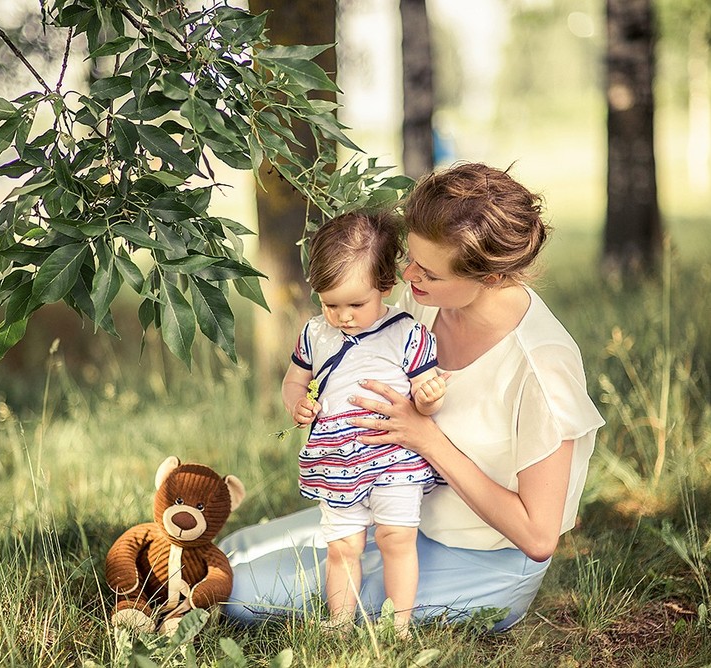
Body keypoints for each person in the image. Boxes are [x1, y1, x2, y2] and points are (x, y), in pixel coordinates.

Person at [219, 162, 605, 632]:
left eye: (428, 272)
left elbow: (538, 535)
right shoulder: (427, 301)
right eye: (412, 258)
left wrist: (427, 439)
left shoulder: (542, 367)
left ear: (490, 277)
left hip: (481, 557)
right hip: (393, 505)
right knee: (232, 551)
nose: (408, 275)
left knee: (236, 596)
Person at [282, 210, 447, 635]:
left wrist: (427, 401)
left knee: (396, 538)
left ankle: (399, 624)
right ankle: (339, 622)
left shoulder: (405, 334)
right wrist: (297, 403)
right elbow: (294, 379)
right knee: (343, 546)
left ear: (386, 287)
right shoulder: (314, 334)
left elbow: (424, 404)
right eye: (330, 304)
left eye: (357, 303)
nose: (344, 316)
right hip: (336, 458)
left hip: (393, 455)